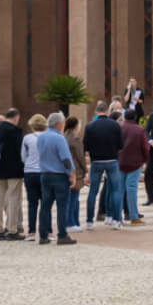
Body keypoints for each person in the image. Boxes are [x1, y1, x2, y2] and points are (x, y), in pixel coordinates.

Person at [36, 112, 77, 245]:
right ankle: (62, 235)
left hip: (44, 175)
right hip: (59, 176)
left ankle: (43, 235)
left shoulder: (41, 137)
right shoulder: (59, 138)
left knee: (45, 206)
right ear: (59, 124)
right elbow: (65, 159)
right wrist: (72, 174)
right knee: (62, 206)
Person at [83, 102, 122, 228]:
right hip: (112, 160)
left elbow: (86, 146)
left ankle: (89, 221)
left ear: (96, 112)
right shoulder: (115, 125)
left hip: (96, 161)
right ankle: (116, 220)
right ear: (107, 111)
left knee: (93, 191)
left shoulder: (90, 126)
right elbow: (121, 145)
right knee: (116, 190)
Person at [0, 107, 25, 241]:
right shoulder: (15, 131)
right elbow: (20, 151)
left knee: (0, 200)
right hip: (14, 170)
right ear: (16, 117)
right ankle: (12, 230)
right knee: (13, 199)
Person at [117, 107, 148, 226]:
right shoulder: (139, 130)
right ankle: (134, 216)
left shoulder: (119, 128)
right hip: (135, 163)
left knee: (119, 190)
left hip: (120, 162)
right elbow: (145, 147)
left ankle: (117, 216)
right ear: (135, 117)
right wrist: (145, 159)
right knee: (131, 189)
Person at [62, 109, 88, 233]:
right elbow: (80, 156)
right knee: (73, 198)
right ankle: (72, 222)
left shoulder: (63, 137)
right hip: (75, 171)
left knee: (69, 198)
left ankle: (72, 222)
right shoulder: (75, 139)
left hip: (65, 170)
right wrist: (85, 169)